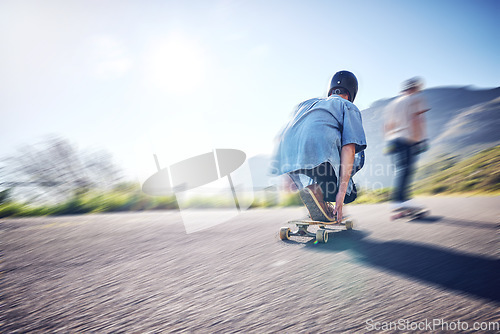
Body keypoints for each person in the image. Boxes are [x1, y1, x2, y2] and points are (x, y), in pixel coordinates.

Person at [270, 71, 367, 222]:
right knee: (351, 191)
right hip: (321, 155)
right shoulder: (347, 106)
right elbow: (349, 147)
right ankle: (321, 194)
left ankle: (319, 198)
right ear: (352, 92)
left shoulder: (306, 104)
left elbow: (281, 137)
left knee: (318, 168)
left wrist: (288, 175)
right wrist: (341, 194)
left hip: (290, 155)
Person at [383, 77, 430, 210]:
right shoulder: (415, 98)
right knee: (407, 170)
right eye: (418, 88)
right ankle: (400, 200)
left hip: (393, 139)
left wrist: (388, 142)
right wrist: (421, 139)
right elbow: (417, 119)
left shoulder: (393, 103)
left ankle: (401, 199)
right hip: (407, 138)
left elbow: (387, 125)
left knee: (401, 170)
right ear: (414, 88)